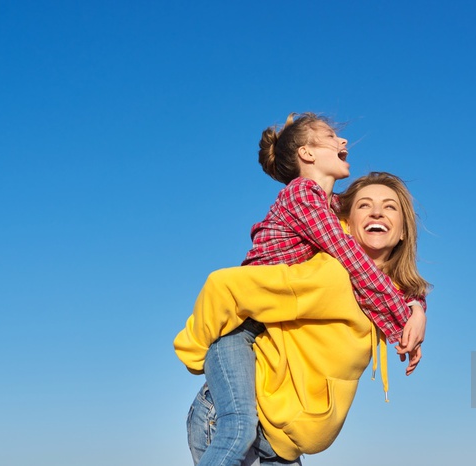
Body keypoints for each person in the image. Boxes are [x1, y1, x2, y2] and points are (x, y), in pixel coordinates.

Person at [174, 113, 426, 466]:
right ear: (307, 154)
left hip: (276, 431)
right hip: (240, 330)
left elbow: (385, 266)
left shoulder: (330, 206)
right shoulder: (303, 195)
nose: (343, 142)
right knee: (238, 429)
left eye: (388, 208)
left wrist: (416, 305)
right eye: (331, 137)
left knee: (247, 432)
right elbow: (351, 257)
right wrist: (402, 320)